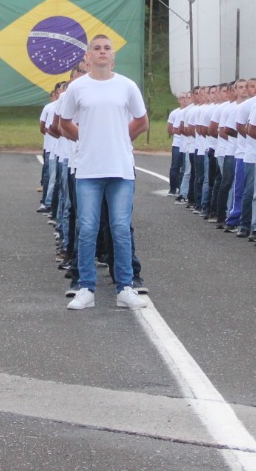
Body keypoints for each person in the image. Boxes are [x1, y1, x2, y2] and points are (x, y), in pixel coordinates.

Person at [55, 34, 148, 311]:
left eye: (107, 48)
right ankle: (86, 288)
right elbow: (64, 123)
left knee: (120, 228)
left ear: (113, 55)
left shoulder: (126, 86)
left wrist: (121, 137)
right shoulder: (78, 88)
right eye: (97, 48)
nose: (102, 52)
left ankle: (125, 288)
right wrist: (84, 140)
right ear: (88, 56)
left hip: (120, 168)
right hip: (88, 169)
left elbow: (142, 121)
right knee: (87, 228)